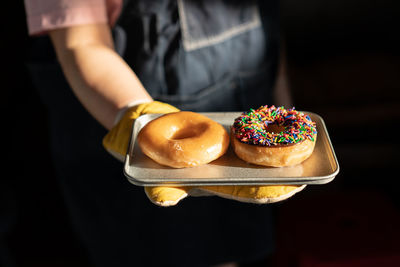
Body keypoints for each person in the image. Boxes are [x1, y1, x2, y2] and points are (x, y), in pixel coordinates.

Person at [24, 0, 294, 266]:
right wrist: (139, 116)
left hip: (245, 134)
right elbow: (82, 42)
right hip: (130, 140)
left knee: (230, 248)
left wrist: (283, 101)